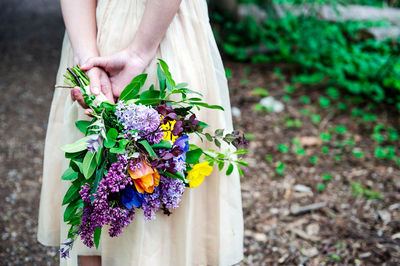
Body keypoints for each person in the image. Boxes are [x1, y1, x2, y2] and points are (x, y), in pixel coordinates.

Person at [38, 0, 244, 265]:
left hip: (119, 33)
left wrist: (89, 59)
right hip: (149, 35)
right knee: (119, 211)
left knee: (115, 202)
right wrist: (101, 60)